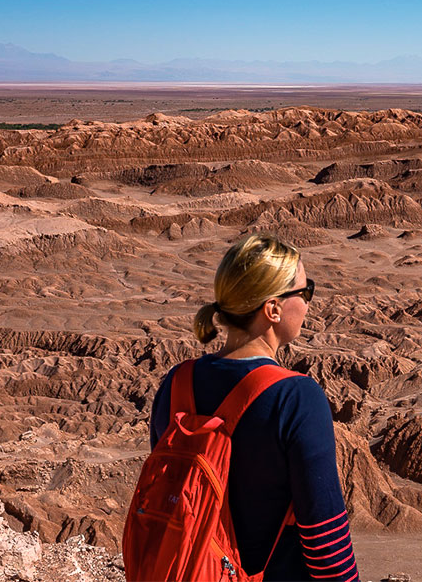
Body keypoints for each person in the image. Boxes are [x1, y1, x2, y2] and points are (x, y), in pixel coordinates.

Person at [149, 233, 358, 581]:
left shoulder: (176, 384)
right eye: (305, 292)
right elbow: (326, 542)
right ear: (273, 308)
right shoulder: (296, 398)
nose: (308, 304)